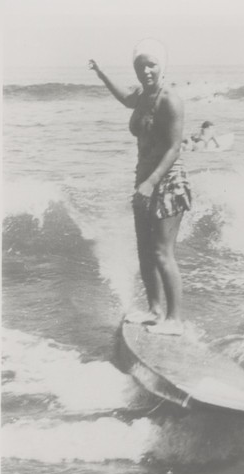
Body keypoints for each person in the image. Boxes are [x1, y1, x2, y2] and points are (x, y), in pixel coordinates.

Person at [89, 39, 191, 335]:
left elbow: (173, 148)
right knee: (145, 251)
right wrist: (102, 74)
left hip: (167, 180)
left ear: (162, 65)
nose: (146, 70)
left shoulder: (170, 99)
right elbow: (124, 98)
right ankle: (155, 310)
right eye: (140, 65)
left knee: (161, 252)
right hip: (143, 180)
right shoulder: (142, 95)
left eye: (151, 64)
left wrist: (151, 182)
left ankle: (174, 321)